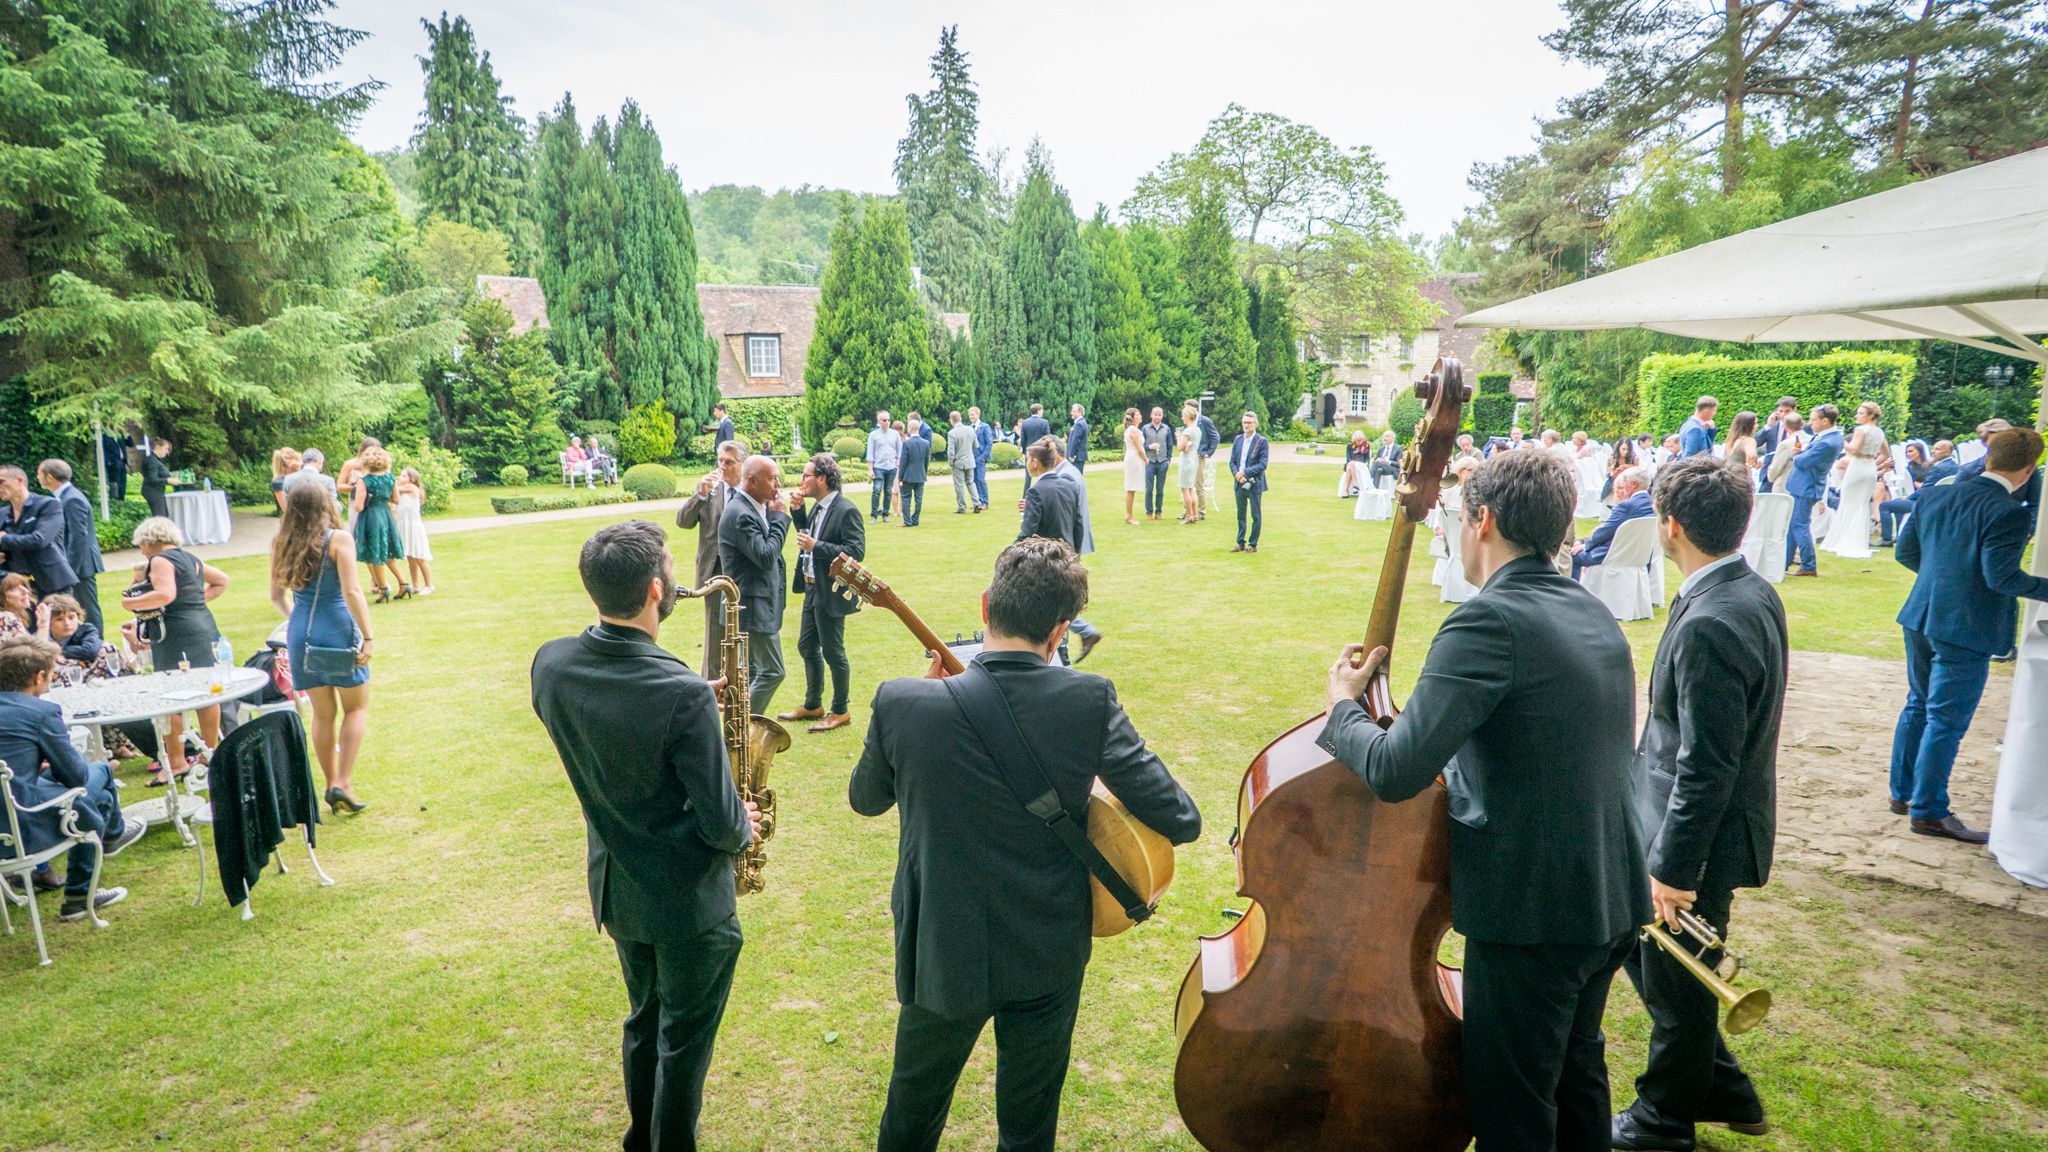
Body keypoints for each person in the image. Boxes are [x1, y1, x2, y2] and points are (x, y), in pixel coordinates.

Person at [1319, 449, 1648, 1152]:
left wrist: (1343, 707)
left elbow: (1395, 771)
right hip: (1610, 893)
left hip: (1534, 913)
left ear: (1484, 521)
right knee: (1577, 1079)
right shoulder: (1591, 611)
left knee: (1513, 1113)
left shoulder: (1487, 622)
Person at [851, 538, 1202, 1152]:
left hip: (941, 944)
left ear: (986, 605)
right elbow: (1181, 818)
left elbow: (865, 799)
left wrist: (915, 710)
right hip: (1046, 950)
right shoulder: (1089, 699)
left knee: (911, 1114)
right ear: (1061, 630)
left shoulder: (902, 701)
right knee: (1029, 1126)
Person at [531, 520, 762, 1152]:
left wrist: (689, 707)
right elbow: (723, 825)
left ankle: (643, 1137)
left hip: (618, 889)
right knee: (683, 1042)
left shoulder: (550, 664)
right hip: (689, 904)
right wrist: (746, 823)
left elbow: (612, 719)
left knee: (645, 1021)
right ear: (657, 588)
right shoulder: (680, 693)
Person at [1612, 456, 1786, 1152]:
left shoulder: (1712, 619)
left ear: (1671, 525)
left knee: (1678, 988)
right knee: (1652, 961)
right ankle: (1725, 1088)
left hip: (1696, 837)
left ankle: (1662, 1122)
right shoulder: (1746, 588)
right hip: (1682, 823)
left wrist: (1674, 868)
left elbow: (1707, 764)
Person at [1890, 427, 2048, 844]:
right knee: (1944, 720)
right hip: (1966, 624)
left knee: (1918, 705)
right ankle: (1928, 810)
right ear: (2028, 470)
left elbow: (1906, 552)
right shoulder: (2010, 512)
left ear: (1988, 456)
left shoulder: (1935, 495)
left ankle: (1902, 793)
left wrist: (1942, 580)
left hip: (1921, 614)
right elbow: (2002, 578)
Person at [0, 635, 146, 918]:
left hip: (10, 796)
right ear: (39, 676)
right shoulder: (40, 712)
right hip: (19, 822)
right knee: (99, 774)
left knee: (92, 795)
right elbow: (75, 777)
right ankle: (106, 847)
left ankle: (107, 842)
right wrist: (53, 764)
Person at [269, 483, 374, 815]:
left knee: (323, 713)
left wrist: (298, 621)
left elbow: (276, 596)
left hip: (300, 633)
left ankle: (329, 783)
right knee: (355, 708)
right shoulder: (338, 539)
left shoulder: (280, 542)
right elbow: (352, 592)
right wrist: (368, 636)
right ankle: (343, 782)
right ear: (326, 505)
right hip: (337, 627)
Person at [121, 517, 227, 784]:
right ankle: (209, 753)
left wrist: (131, 602)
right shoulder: (190, 558)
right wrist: (195, 601)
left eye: (141, 545)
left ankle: (178, 761)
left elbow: (165, 594)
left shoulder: (159, 560)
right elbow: (221, 581)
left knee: (170, 696)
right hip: (202, 625)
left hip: (177, 633)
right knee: (207, 691)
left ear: (149, 540)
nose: (141, 551)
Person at [780, 454, 865, 734]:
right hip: (811, 586)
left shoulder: (846, 510)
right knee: (806, 646)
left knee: (833, 651)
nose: (802, 480)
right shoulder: (818, 507)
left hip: (830, 591)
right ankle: (813, 704)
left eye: (806, 475)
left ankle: (840, 710)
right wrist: (798, 512)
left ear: (822, 479)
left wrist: (816, 545)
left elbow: (855, 551)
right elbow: (808, 534)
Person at [716, 455, 790, 715]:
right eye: (771, 479)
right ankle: (744, 727)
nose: (777, 484)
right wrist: (779, 519)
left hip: (751, 605)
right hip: (751, 607)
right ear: (752, 481)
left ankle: (739, 726)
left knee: (753, 672)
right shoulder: (741, 514)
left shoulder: (752, 507)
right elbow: (766, 557)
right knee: (772, 672)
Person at [676, 441, 744, 678]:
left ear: (742, 464)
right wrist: (699, 495)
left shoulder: (750, 491)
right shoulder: (709, 490)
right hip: (714, 570)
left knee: (743, 632)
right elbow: (683, 521)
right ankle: (711, 686)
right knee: (715, 635)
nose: (722, 466)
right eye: (720, 461)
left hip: (743, 570)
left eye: (729, 462)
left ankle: (741, 684)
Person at [0, 463, 79, 603]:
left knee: (60, 616)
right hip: (18, 587)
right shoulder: (3, 514)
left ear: (19, 480)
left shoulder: (49, 505)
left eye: (2, 481)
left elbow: (39, 539)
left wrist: (5, 538)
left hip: (52, 582)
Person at [1781, 404, 1842, 577]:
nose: (1810, 423)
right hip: (1803, 484)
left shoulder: (1828, 442)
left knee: (1800, 525)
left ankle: (1808, 565)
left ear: (1825, 421)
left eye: (1814, 420)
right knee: (1794, 525)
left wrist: (1796, 455)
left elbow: (1803, 461)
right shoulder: (1828, 437)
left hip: (1807, 485)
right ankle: (1784, 561)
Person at [1820, 402, 1886, 559]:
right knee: (1862, 504)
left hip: (1857, 466)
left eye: (1861, 413)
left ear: (1871, 415)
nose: (1857, 416)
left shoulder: (1861, 430)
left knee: (1848, 502)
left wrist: (1841, 440)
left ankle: (1845, 540)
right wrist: (1872, 464)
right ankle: (1858, 541)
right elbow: (1886, 454)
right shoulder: (1879, 432)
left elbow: (1854, 449)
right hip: (1869, 467)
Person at [1571, 466, 1654, 579]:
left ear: (1634, 484)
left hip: (1613, 555)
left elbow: (1605, 531)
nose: (1623, 486)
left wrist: (1586, 546)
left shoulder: (1626, 506)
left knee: (1574, 555)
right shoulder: (1654, 505)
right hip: (1639, 558)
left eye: (1625, 483)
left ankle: (1573, 589)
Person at [351, 446, 409, 602]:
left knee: (375, 553)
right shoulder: (390, 478)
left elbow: (359, 507)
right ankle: (404, 584)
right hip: (385, 515)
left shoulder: (364, 481)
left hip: (371, 517)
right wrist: (381, 497)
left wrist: (367, 498)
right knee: (387, 552)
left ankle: (383, 589)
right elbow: (396, 500)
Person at [1879, 440, 1956, 546]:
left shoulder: (1938, 468)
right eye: (1933, 448)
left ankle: (1887, 539)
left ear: (1947, 452)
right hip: (1946, 502)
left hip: (1926, 502)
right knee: (1898, 505)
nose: (1933, 451)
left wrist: (1908, 497)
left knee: (1885, 506)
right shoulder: (1957, 467)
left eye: (1937, 449)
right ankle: (1900, 535)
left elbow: (1925, 490)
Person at [40, 593, 123, 685]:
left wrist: (58, 651)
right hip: (57, 680)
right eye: (59, 619)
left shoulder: (86, 630)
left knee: (107, 648)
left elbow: (89, 650)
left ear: (78, 617)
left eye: (71, 617)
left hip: (90, 671)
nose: (67, 623)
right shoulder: (41, 636)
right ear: (49, 622)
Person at [1228, 412, 1269, 554]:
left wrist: (1245, 473)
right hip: (1239, 482)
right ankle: (1240, 542)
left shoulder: (1262, 441)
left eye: (1249, 422)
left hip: (1254, 483)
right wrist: (1236, 474)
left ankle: (1253, 544)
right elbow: (1232, 461)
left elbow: (1262, 464)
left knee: (1255, 515)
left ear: (1256, 424)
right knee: (1240, 514)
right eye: (1244, 422)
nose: (1246, 425)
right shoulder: (1238, 439)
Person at [392, 467, 436, 596]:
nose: (400, 478)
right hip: (404, 526)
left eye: (404, 476)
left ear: (412, 479)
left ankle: (429, 585)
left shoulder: (412, 488)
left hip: (414, 526)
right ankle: (415, 585)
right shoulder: (400, 492)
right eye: (400, 475)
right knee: (410, 556)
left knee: (419, 556)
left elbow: (394, 489)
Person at [1754, 397, 1799, 493]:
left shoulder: (1802, 427)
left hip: (1791, 472)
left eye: (1787, 411)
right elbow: (1756, 443)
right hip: (1770, 471)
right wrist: (1768, 426)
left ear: (1794, 410)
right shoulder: (1772, 426)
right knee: (1764, 500)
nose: (1784, 415)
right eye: (1781, 411)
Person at [866, 410, 903, 522]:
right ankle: (874, 515)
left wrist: (897, 463)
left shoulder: (895, 434)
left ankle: (885, 514)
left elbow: (899, 450)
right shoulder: (873, 435)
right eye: (884, 420)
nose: (887, 422)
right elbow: (870, 453)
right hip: (878, 467)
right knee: (877, 489)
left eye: (888, 420)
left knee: (888, 491)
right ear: (879, 421)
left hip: (891, 467)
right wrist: (870, 470)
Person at [896, 414, 931, 528]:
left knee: (906, 498)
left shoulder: (907, 443)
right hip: (920, 475)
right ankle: (915, 519)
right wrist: (924, 472)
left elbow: (903, 462)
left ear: (910, 428)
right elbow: (927, 460)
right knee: (918, 499)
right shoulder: (926, 443)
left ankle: (907, 521)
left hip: (908, 475)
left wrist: (900, 477)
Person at [281, 448, 341, 512]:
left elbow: (287, 505)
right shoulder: (328, 481)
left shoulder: (288, 479)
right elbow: (335, 507)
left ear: (303, 461)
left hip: (295, 517)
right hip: (320, 517)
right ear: (320, 462)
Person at [1141, 407, 1174, 521]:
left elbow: (1170, 445)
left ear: (1162, 416)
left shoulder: (1166, 428)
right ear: (1151, 415)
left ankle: (1158, 512)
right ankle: (1149, 512)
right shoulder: (1145, 428)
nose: (1157, 416)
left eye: (1159, 414)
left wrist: (1168, 459)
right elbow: (1141, 445)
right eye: (1155, 414)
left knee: (1160, 490)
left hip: (1162, 462)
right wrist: (1149, 446)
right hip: (1149, 462)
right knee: (1149, 489)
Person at [945, 412, 976, 515]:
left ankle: (962, 507)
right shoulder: (970, 429)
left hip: (958, 462)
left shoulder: (952, 433)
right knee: (970, 482)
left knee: (959, 485)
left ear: (951, 420)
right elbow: (976, 445)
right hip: (970, 460)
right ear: (961, 418)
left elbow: (951, 451)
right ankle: (976, 503)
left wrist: (951, 462)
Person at [1177, 406, 1202, 523]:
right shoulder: (1198, 430)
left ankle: (1189, 515)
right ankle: (1195, 514)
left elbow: (1180, 447)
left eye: (1183, 415)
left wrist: (1178, 436)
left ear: (1187, 416)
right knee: (1191, 489)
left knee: (1185, 490)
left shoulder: (1187, 431)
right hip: (1194, 460)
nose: (1182, 418)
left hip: (1186, 461)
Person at [1194, 404, 1220, 518]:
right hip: (1189, 456)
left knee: (1199, 485)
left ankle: (1201, 512)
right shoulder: (1188, 421)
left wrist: (1208, 452)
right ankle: (1189, 512)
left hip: (1199, 456)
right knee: (1188, 486)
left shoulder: (1205, 421)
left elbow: (1215, 437)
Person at [1120, 408, 1146, 525]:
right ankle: (1129, 515)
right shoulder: (1133, 430)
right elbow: (1139, 448)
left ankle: (1129, 514)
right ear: (1133, 418)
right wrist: (1146, 459)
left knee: (1131, 488)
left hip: (1132, 457)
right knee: (1131, 488)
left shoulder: (1130, 429)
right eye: (1138, 415)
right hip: (1134, 458)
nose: (1140, 416)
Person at [139, 435, 174, 518]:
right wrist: (168, 480)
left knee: (164, 516)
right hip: (153, 491)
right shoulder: (152, 461)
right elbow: (153, 479)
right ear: (158, 447)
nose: (167, 452)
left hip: (158, 491)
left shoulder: (156, 460)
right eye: (166, 449)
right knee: (160, 517)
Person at [969, 406, 994, 511]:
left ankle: (984, 502)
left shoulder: (985, 427)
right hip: (971, 458)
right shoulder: (969, 428)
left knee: (980, 480)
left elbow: (989, 443)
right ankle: (977, 502)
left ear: (978, 414)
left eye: (972, 414)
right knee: (974, 480)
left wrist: (983, 456)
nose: (971, 417)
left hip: (981, 458)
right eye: (969, 415)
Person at [1724, 411, 1760, 482]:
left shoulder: (1730, 440)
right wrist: (1749, 468)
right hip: (1740, 480)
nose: (1757, 426)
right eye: (1755, 423)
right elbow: (1751, 455)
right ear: (1748, 425)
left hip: (1727, 478)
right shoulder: (1748, 441)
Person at [101, 427, 129, 502]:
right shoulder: (105, 435)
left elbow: (130, 443)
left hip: (122, 461)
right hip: (113, 462)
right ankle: (114, 499)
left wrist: (125, 432)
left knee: (122, 481)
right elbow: (104, 449)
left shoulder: (120, 434)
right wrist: (108, 461)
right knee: (114, 482)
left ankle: (121, 499)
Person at [270, 448, 301, 513]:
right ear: (287, 463)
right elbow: (286, 508)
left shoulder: (300, 477)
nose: (300, 463)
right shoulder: (279, 482)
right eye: (297, 460)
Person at [1342, 431, 1371, 498]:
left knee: (1350, 467)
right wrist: (1353, 463)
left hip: (1361, 465)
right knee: (1350, 465)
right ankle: (1355, 484)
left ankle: (1345, 490)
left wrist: (1362, 450)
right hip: (1350, 464)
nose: (1360, 442)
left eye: (1361, 440)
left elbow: (1366, 459)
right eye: (1358, 440)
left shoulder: (1365, 446)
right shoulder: (1350, 446)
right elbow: (1348, 458)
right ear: (1354, 440)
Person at [1065, 404, 1089, 468]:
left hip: (1076, 457)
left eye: (1073, 411)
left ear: (1079, 412)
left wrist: (1071, 455)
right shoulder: (1080, 423)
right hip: (1077, 457)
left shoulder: (1079, 424)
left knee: (1075, 474)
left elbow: (1076, 441)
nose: (1071, 413)